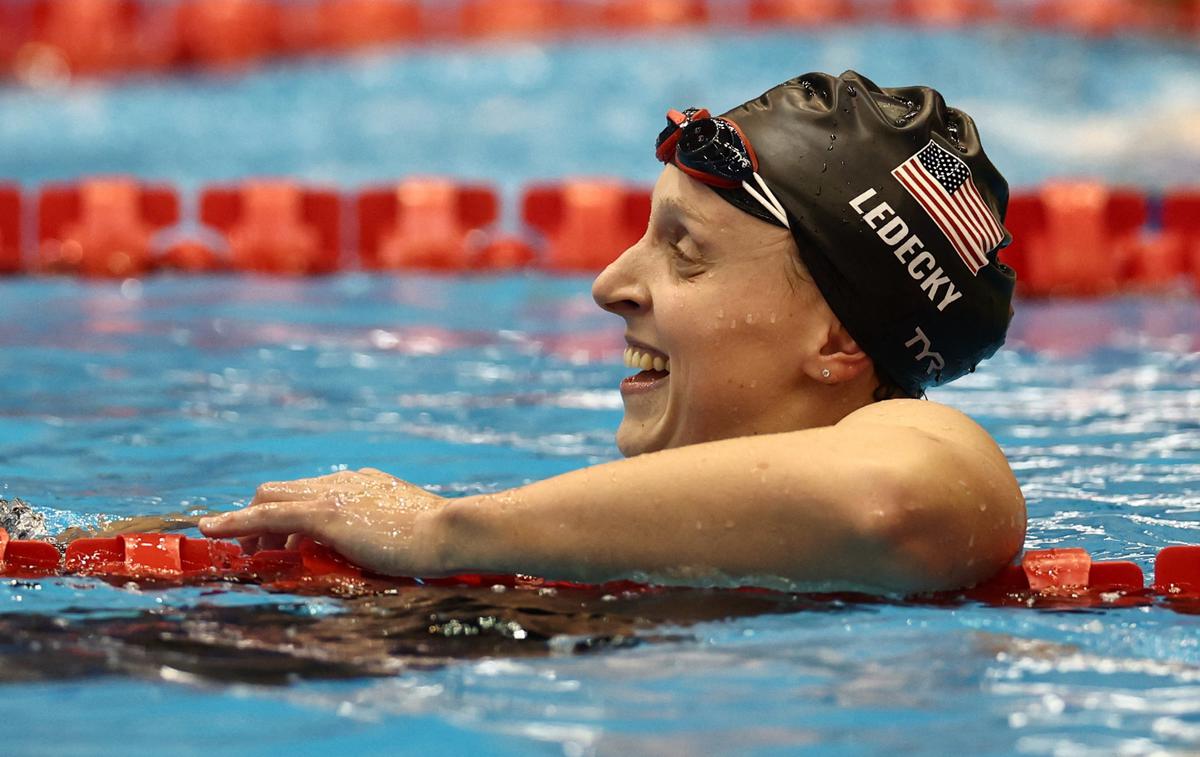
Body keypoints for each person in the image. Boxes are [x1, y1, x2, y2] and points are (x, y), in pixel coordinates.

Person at [200, 70, 1026, 594]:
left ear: (842, 342)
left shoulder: (927, 449)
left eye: (686, 253)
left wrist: (438, 530)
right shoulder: (599, 517)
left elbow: (892, 498)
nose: (609, 285)